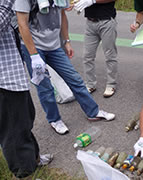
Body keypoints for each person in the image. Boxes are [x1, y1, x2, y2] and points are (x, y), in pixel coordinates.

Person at [14, 0, 116, 135]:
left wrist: (66, 41)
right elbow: (22, 24)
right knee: (45, 88)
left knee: (75, 79)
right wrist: (34, 55)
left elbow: (62, 15)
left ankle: (93, 112)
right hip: (34, 47)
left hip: (54, 46)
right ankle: (54, 120)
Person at [0, 0, 52, 178]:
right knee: (14, 129)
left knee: (25, 117)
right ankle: (24, 172)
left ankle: (34, 159)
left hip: (12, 71)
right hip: (4, 79)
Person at [74, 0, 118, 97]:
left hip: (106, 21)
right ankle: (90, 84)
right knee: (87, 56)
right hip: (90, 22)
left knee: (110, 55)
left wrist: (92, 1)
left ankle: (111, 84)